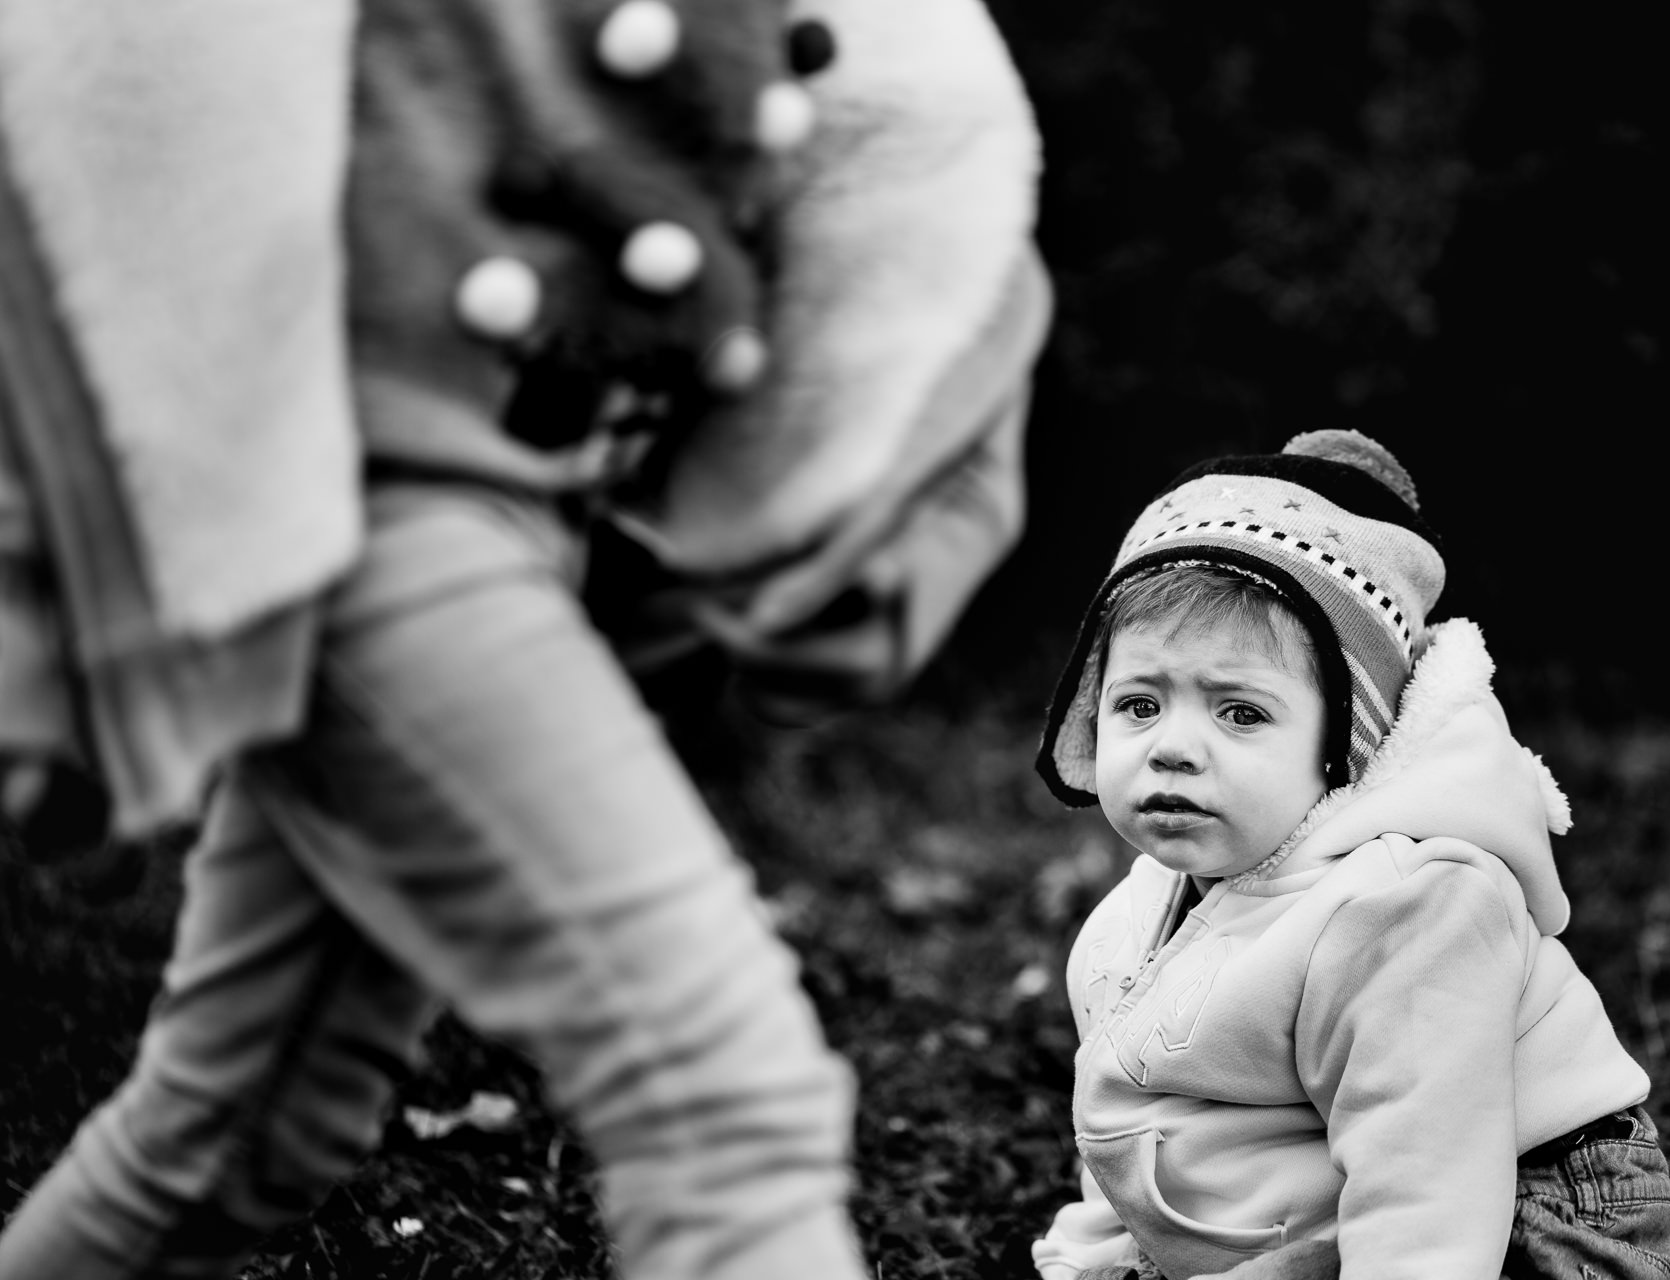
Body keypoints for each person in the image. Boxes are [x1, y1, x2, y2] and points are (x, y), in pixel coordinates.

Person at [0, 1, 1045, 1277]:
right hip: (356, 511)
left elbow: (885, 104)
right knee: (724, 1100)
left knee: (240, 1132)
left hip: (529, 511)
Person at [1027, 431, 1670, 1280]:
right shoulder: (1130, 923)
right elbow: (1129, 1120)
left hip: (1523, 1205)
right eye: (1140, 704)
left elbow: (1424, 1178)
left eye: (1241, 714)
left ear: (1347, 745)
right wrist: (1092, 1263)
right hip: (1321, 1209)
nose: (1173, 748)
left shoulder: (1407, 903)